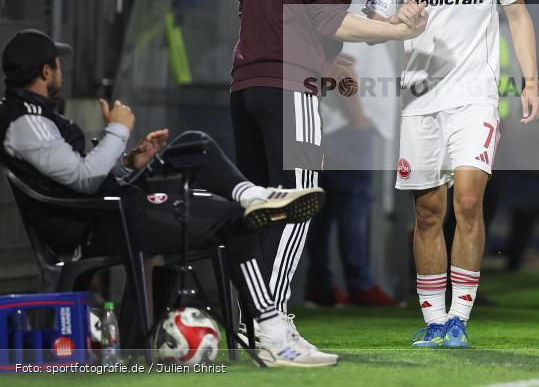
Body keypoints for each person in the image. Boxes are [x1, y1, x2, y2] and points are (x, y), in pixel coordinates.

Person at [0, 30, 327, 367]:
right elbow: (84, 179)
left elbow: (76, 176)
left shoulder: (33, 116)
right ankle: (270, 331)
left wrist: (129, 162)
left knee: (193, 147)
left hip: (113, 212)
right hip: (103, 224)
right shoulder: (26, 122)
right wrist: (118, 130)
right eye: (57, 65)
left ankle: (252, 196)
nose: (60, 72)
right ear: (44, 72)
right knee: (236, 219)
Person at [229, 0, 426, 360]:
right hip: (289, 89)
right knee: (297, 209)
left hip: (245, 89)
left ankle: (248, 323)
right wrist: (399, 30)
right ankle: (270, 327)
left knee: (259, 213)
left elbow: (261, 18)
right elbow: (330, 18)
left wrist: (323, 59)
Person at [365, 0, 539, 348]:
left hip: (475, 99)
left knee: (467, 200)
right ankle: (434, 318)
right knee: (426, 213)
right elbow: (372, 25)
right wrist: (398, 17)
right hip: (420, 101)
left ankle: (460, 318)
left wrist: (531, 80)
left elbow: (519, 15)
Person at [304, 0, 401, 307]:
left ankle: (322, 285)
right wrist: (358, 118)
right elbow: (345, 67)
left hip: (334, 124)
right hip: (348, 125)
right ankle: (359, 282)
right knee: (354, 203)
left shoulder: (348, 4)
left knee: (326, 208)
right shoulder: (352, 7)